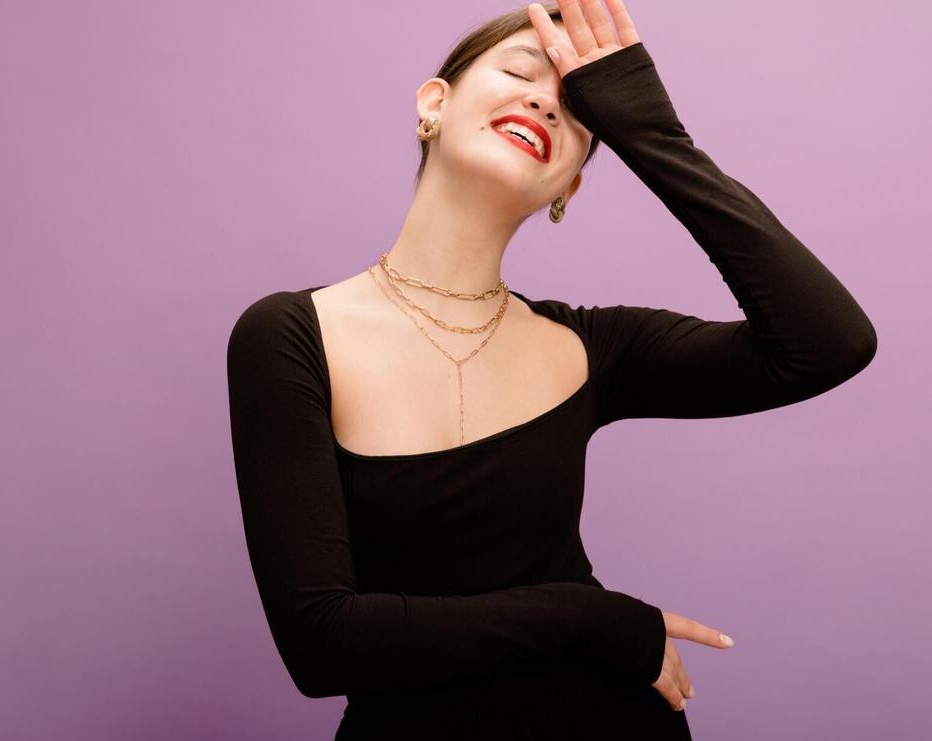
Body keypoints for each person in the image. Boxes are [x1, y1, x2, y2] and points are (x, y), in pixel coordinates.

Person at [225, 1, 877, 738]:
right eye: (519, 71)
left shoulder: (593, 346)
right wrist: (586, 615)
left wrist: (654, 136)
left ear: (569, 187)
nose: (543, 100)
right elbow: (322, 643)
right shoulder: (288, 336)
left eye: (577, 113)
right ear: (434, 103)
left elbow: (827, 342)